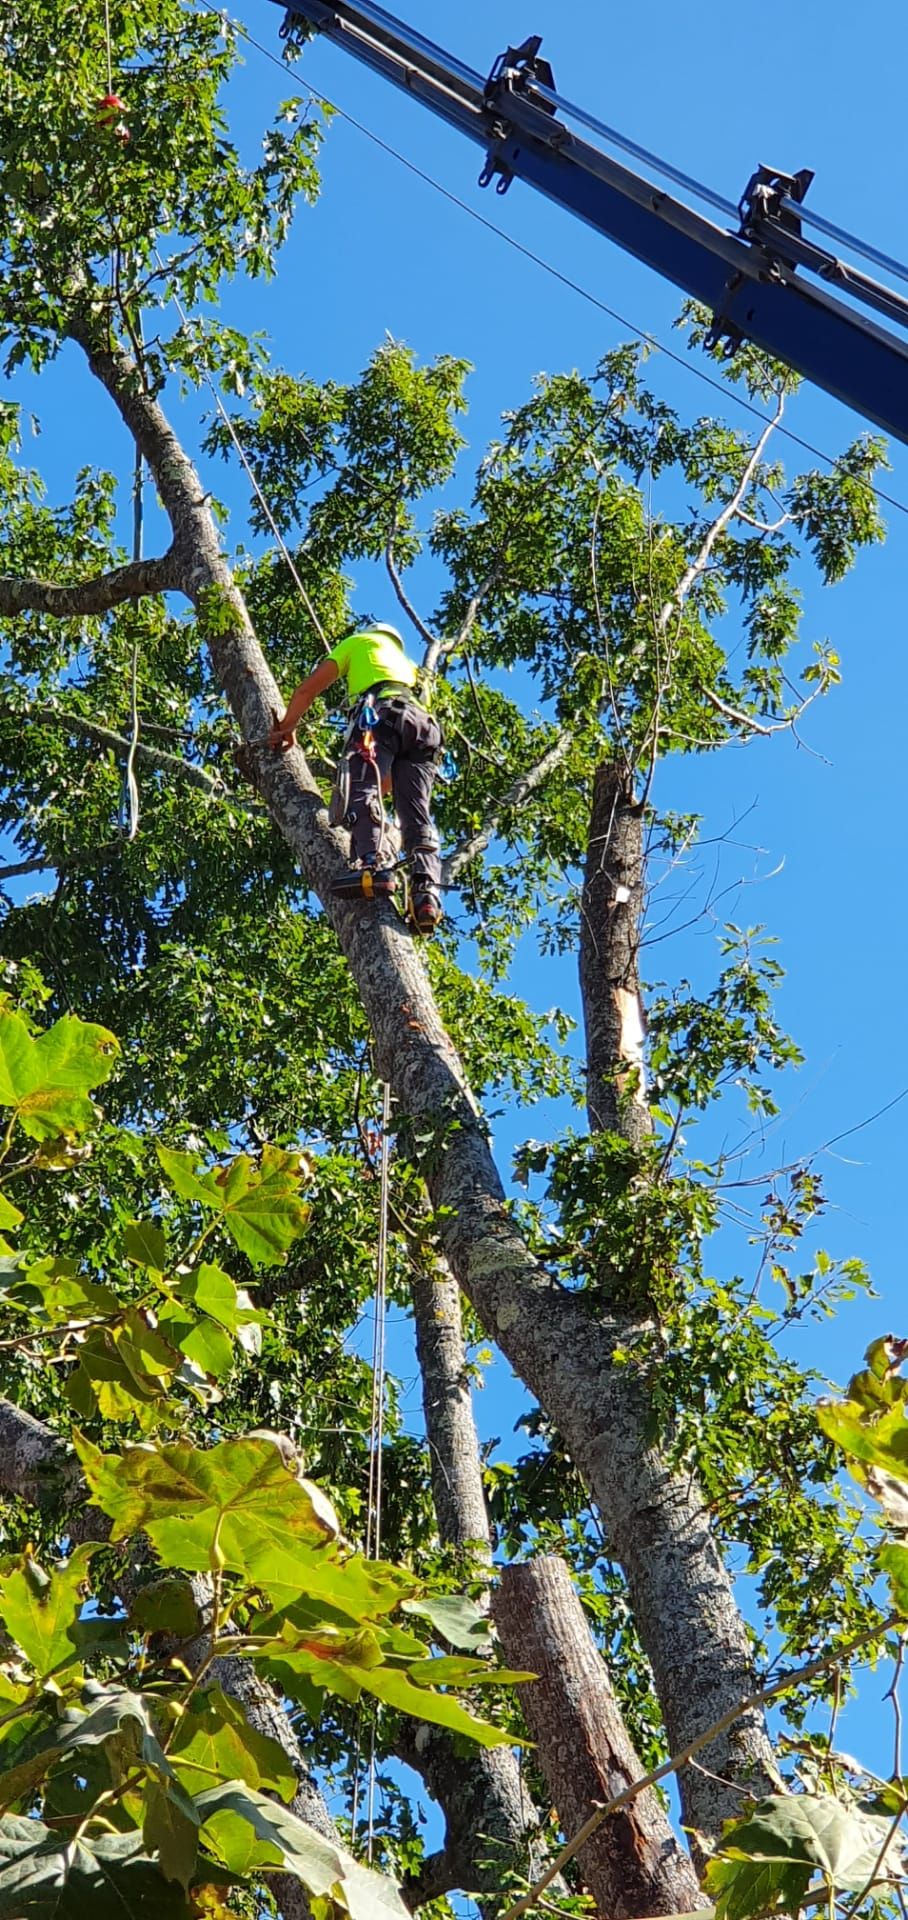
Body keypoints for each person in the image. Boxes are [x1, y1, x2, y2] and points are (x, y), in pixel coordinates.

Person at [268, 622, 444, 936]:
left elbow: (308, 689)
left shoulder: (359, 641)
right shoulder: (411, 668)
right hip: (426, 728)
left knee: (360, 788)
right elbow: (393, 776)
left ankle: (371, 866)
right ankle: (425, 895)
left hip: (382, 713)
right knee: (416, 814)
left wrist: (286, 727)